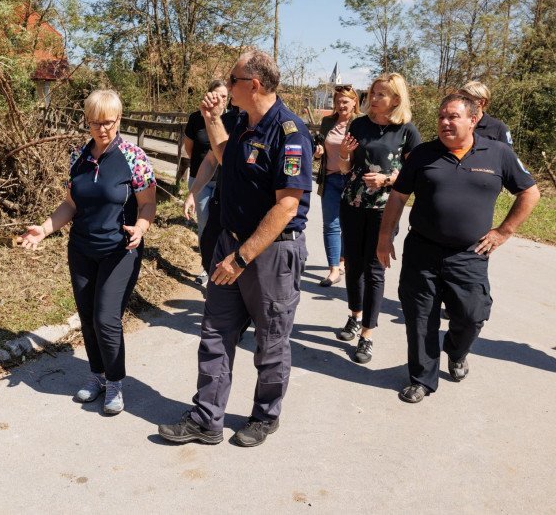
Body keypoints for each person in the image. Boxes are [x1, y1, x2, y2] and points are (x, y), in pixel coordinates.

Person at [158, 49, 313, 447]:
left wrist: (242, 258)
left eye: (232, 79)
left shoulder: (290, 133)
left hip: (271, 254)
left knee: (271, 340)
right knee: (215, 333)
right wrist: (211, 119)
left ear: (254, 85)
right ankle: (206, 418)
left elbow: (287, 204)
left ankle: (264, 416)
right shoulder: (240, 121)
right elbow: (227, 156)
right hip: (230, 243)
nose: (226, 86)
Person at [377, 94, 539, 403]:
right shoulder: (423, 154)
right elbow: (397, 196)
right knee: (420, 317)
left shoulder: (498, 153)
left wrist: (504, 232)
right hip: (422, 251)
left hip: (470, 254)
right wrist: (385, 237)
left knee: (472, 314)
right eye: (441, 117)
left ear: (473, 120)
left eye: (452, 117)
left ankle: (456, 350)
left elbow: (529, 193)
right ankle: (422, 379)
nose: (444, 122)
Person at [17, 89, 157, 416]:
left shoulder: (134, 157)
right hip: (81, 249)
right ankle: (98, 376)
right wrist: (45, 228)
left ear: (118, 120)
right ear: (88, 121)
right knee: (88, 319)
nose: (102, 129)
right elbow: (71, 204)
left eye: (108, 122)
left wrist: (141, 227)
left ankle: (116, 383)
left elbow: (148, 204)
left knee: (105, 317)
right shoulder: (78, 157)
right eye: (95, 122)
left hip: (120, 250)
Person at [336, 73, 421, 363]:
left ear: (396, 99)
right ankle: (354, 316)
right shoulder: (358, 124)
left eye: (380, 94)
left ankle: (368, 335)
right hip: (352, 203)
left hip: (385, 208)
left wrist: (387, 179)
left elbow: (415, 175)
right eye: (372, 93)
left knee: (374, 269)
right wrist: (345, 155)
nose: (373, 99)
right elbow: (345, 168)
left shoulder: (407, 131)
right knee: (354, 265)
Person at [312, 84, 363, 287]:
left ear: (354, 102)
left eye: (345, 101)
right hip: (331, 179)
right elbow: (320, 149)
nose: (341, 105)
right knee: (331, 224)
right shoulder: (327, 122)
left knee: (349, 225)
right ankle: (334, 269)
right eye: (337, 101)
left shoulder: (361, 123)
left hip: (353, 181)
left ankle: (343, 260)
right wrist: (318, 153)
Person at [184, 80, 229, 284]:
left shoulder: (231, 120)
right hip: (200, 178)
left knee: (220, 226)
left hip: (222, 181)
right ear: (209, 95)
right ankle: (206, 267)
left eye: (225, 96)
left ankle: (218, 267)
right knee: (204, 225)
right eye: (217, 95)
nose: (220, 99)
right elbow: (189, 149)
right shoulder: (195, 118)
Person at [458, 81, 513, 146]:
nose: (461, 103)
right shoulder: (456, 124)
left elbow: (507, 154)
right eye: (460, 99)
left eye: (467, 100)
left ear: (481, 102)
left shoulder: (498, 127)